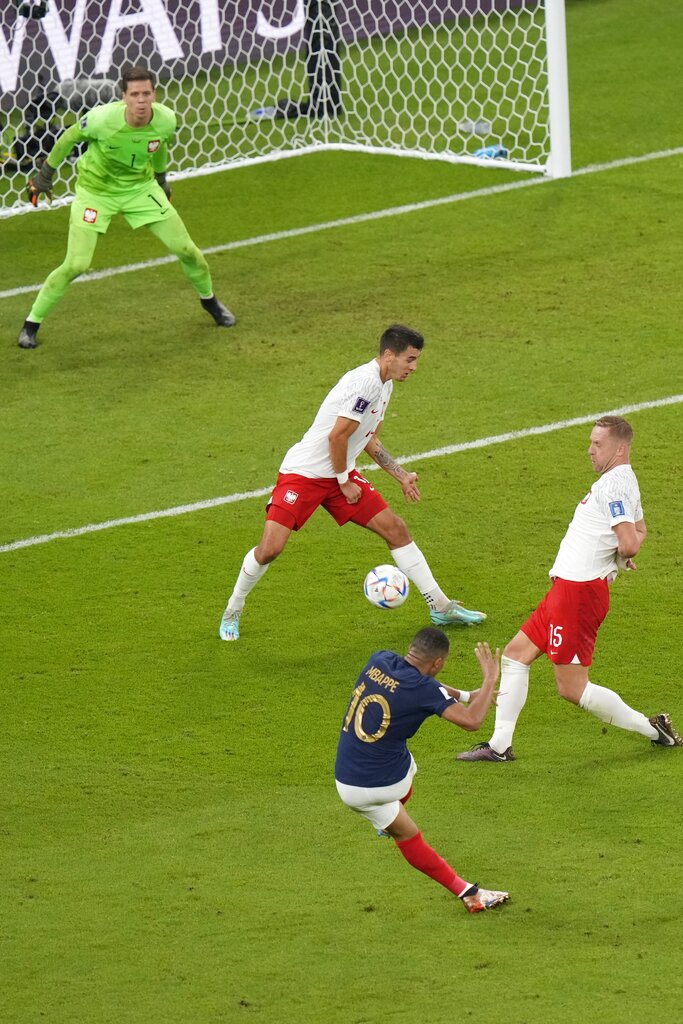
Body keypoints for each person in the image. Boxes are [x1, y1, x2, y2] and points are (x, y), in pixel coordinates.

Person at [218, 324, 486, 641]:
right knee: (270, 549)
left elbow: (368, 439)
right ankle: (233, 609)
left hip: (340, 469)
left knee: (396, 529)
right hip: (304, 475)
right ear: (389, 355)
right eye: (410, 359)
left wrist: (400, 475)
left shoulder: (385, 386)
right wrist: (345, 481)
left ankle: (440, 606)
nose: (413, 367)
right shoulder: (365, 383)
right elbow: (337, 436)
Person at [457, 415, 681, 762]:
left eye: (598, 444)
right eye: (590, 443)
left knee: (571, 688)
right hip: (567, 591)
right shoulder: (623, 480)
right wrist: (615, 559)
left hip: (578, 596)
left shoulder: (614, 486)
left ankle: (655, 730)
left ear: (619, 448)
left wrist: (620, 555)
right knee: (516, 655)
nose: (590, 451)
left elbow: (630, 541)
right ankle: (500, 746)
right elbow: (640, 528)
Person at [17, 65, 235, 350]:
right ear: (123, 97)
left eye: (146, 93)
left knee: (187, 250)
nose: (141, 100)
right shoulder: (100, 120)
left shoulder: (167, 120)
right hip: (96, 193)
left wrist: (161, 181)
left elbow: (157, 145)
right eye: (135, 94)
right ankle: (31, 324)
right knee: (77, 264)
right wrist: (45, 175)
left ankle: (210, 302)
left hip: (140, 190)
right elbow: (69, 137)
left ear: (154, 95)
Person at [335, 628, 509, 914]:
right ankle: (391, 814)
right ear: (438, 663)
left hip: (346, 783)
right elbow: (472, 721)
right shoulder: (424, 689)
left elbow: (433, 689)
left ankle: (469, 894)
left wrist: (467, 694)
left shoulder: (379, 659)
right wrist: (490, 679)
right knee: (409, 763)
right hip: (386, 785)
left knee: (407, 834)